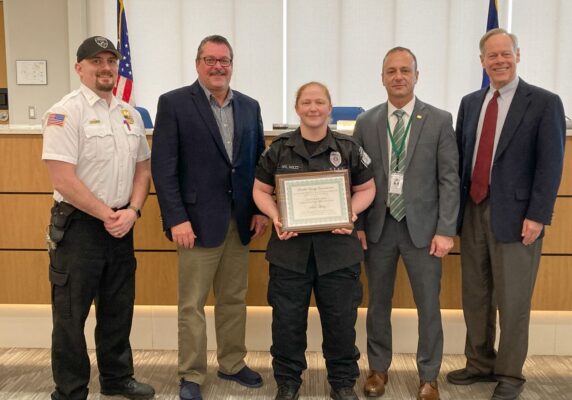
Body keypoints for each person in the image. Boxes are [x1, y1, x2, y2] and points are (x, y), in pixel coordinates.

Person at [446, 28, 566, 400]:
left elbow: (551, 164)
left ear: (518, 55)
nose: (499, 61)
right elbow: (462, 160)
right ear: (482, 61)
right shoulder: (470, 103)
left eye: (505, 54)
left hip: (518, 218)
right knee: (476, 294)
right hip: (474, 211)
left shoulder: (544, 102)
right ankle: (480, 363)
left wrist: (538, 214)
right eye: (491, 56)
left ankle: (510, 374)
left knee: (513, 300)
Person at [151, 35, 268, 400]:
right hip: (195, 224)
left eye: (224, 60)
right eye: (210, 59)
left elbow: (258, 164)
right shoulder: (173, 104)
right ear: (197, 63)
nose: (218, 66)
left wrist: (261, 210)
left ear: (232, 64)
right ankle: (191, 374)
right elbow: (163, 168)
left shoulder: (250, 106)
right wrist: (176, 219)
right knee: (192, 304)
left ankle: (232, 363)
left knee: (234, 297)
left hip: (240, 220)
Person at [42, 36, 154, 400]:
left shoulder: (129, 114)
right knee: (71, 316)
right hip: (79, 227)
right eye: (96, 61)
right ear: (80, 68)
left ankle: (117, 378)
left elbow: (143, 169)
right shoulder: (64, 112)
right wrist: (109, 214)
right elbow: (63, 178)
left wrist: (133, 211)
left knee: (118, 309)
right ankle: (71, 389)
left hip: (122, 224)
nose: (105, 68)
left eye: (110, 61)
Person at [253, 82, 376, 400]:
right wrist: (277, 215)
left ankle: (343, 382)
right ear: (297, 108)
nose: (313, 108)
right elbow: (260, 190)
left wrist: (349, 213)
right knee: (287, 323)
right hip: (289, 253)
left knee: (340, 321)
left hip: (338, 253)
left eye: (319, 102)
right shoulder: (279, 148)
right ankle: (288, 382)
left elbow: (367, 189)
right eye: (306, 102)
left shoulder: (348, 148)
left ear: (329, 107)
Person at [353, 47, 459, 400]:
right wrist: (359, 226)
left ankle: (429, 377)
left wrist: (446, 229)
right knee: (377, 304)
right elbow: (356, 179)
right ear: (382, 77)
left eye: (405, 70)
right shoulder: (366, 122)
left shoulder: (440, 120)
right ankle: (378, 370)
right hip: (379, 227)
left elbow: (448, 179)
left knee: (429, 306)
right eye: (391, 71)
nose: (398, 76)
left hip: (425, 231)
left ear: (417, 75)